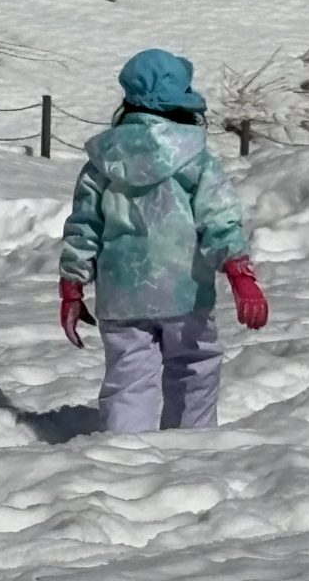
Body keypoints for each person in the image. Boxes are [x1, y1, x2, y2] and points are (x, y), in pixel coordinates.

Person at [58, 48, 269, 433]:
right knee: (193, 368)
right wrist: (239, 272)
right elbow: (218, 218)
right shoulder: (196, 159)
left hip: (121, 293)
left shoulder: (103, 160)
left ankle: (125, 450)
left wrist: (72, 285)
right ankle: (190, 448)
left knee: (128, 378)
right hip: (183, 291)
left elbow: (84, 225)